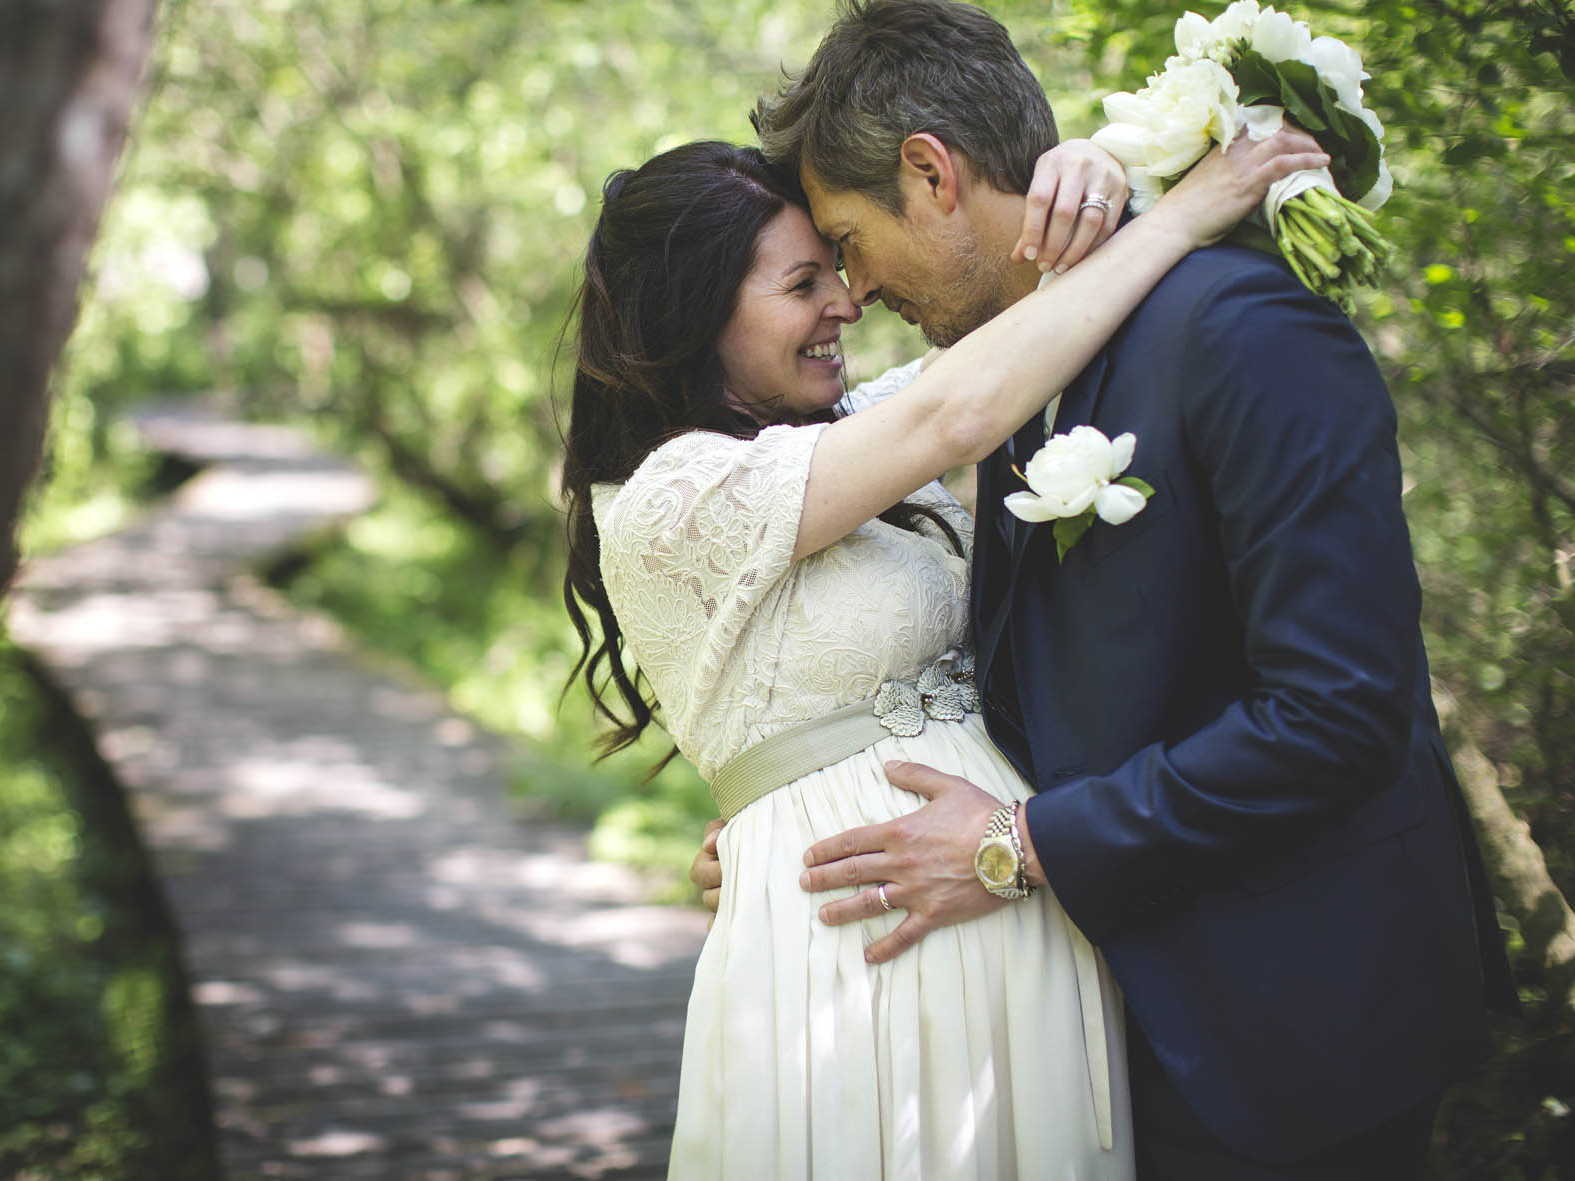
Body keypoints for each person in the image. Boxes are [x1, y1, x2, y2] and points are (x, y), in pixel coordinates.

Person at [683, 0, 1518, 1176]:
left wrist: (1018, 845)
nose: (855, 294)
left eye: (852, 247)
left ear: (931, 172)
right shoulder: (1011, 375)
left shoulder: (1242, 329)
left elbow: (1335, 714)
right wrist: (786, 825)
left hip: (1300, 1020)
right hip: (1122, 1019)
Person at [564, 111, 1329, 1174]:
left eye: (834, 265)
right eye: (800, 285)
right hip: (858, 948)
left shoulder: (846, 437)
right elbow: (957, 412)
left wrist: (1098, 161)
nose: (844, 301)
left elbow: (1017, 317)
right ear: (695, 320)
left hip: (1024, 915)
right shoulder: (672, 499)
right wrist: (1193, 208)